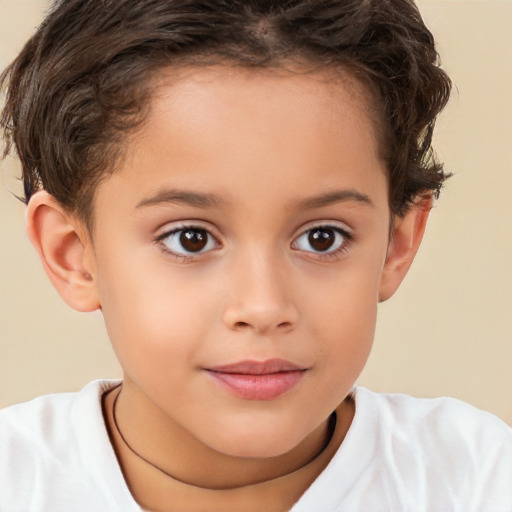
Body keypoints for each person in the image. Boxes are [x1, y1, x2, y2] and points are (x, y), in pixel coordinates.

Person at [0, 0, 510, 510]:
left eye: (322, 238)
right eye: (190, 238)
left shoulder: (478, 480)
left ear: (396, 245)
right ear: (73, 254)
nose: (263, 307)